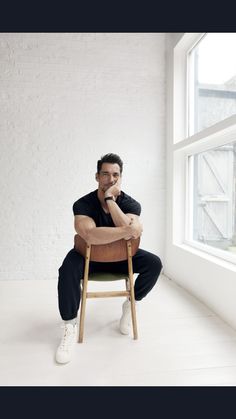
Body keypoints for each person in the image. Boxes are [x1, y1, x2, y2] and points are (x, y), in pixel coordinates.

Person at [56, 153, 163, 364]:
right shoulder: (83, 204)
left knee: (154, 263)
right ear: (97, 176)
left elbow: (131, 234)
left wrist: (109, 200)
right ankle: (69, 325)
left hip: (123, 257)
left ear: (120, 177)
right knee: (67, 269)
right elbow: (90, 235)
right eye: (105, 174)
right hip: (89, 257)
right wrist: (126, 231)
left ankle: (131, 303)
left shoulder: (131, 203)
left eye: (116, 175)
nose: (111, 179)